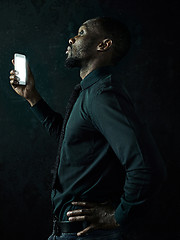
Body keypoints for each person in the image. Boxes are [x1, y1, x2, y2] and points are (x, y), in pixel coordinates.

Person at [9, 17, 166, 240]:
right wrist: (32, 97)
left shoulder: (103, 95)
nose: (72, 38)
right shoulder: (90, 92)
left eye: (81, 32)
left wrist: (119, 216)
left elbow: (147, 167)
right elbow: (69, 140)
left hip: (86, 235)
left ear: (104, 45)